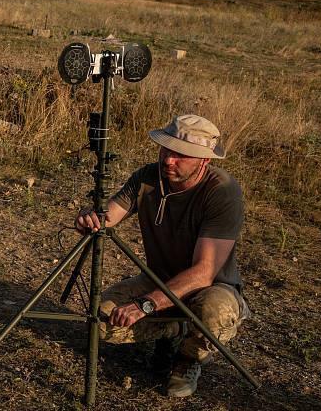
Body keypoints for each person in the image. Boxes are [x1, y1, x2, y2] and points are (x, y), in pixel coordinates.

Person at [74, 114, 249, 398]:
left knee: (215, 311)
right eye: (166, 150)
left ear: (204, 161)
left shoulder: (222, 191)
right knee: (101, 322)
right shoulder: (147, 177)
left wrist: (145, 305)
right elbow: (109, 215)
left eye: (181, 155)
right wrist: (89, 218)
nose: (169, 160)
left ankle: (188, 358)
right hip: (157, 280)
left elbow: (204, 272)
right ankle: (173, 330)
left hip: (210, 289)